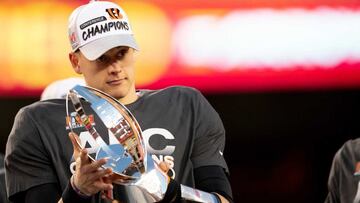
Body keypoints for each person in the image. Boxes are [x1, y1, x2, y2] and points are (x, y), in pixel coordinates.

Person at [5, 0, 233, 202]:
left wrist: (170, 191)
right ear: (76, 62)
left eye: (121, 53)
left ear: (134, 51)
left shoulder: (187, 106)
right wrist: (78, 191)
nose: (115, 68)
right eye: (101, 58)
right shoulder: (37, 122)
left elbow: (221, 199)